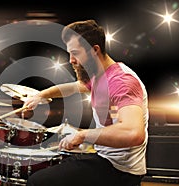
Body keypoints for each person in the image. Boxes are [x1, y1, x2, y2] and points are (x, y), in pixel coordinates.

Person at [24, 19, 149, 186]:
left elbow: (134, 133)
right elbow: (76, 87)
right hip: (106, 159)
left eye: (75, 53)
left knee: (37, 182)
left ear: (94, 50)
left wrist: (82, 135)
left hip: (120, 171)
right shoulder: (101, 75)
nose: (71, 60)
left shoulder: (121, 82)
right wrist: (41, 95)